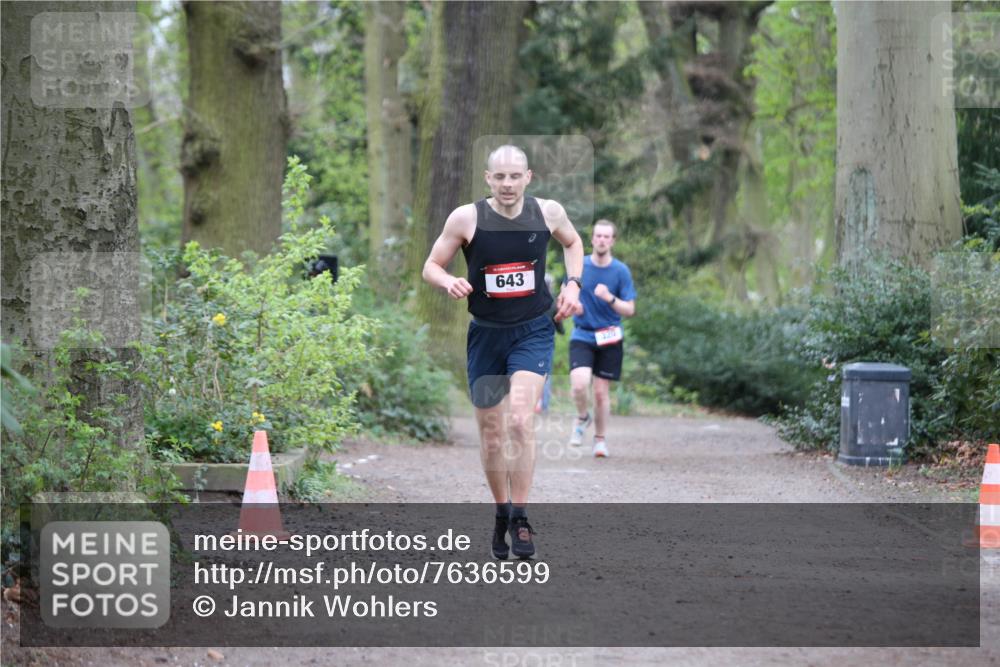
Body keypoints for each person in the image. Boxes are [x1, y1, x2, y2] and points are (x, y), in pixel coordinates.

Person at [422, 145, 583, 559]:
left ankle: (523, 517)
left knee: (518, 420)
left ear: (528, 177)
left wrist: (573, 283)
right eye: (500, 177)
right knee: (491, 436)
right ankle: (501, 512)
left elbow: (573, 242)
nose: (508, 184)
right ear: (488, 179)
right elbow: (431, 266)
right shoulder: (465, 218)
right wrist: (448, 282)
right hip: (486, 336)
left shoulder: (547, 212)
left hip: (533, 331)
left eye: (515, 176)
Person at [567, 220, 636, 458]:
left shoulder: (620, 271)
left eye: (607, 237)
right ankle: (583, 417)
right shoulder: (580, 265)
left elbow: (629, 309)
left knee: (600, 392)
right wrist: (571, 306)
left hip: (609, 336)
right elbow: (563, 298)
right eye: (598, 236)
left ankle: (599, 440)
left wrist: (609, 298)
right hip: (583, 333)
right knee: (578, 383)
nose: (602, 240)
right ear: (592, 238)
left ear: (613, 241)